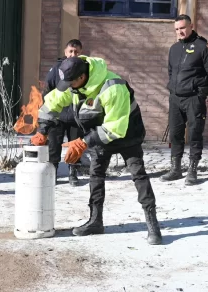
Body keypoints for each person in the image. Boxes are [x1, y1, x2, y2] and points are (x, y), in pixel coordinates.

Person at [31, 56, 162, 245]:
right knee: (96, 175)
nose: (67, 87)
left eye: (70, 83)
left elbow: (115, 128)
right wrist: (42, 129)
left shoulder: (113, 87)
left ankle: (152, 224)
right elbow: (53, 101)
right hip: (99, 135)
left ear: (82, 77)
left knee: (138, 175)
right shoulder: (75, 85)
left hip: (127, 135)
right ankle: (95, 221)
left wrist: (83, 142)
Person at [160, 14, 208, 185]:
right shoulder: (174, 48)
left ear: (191, 26)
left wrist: (202, 94)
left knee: (194, 134)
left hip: (194, 99)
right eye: (177, 29)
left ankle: (192, 170)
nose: (180, 32)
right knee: (176, 135)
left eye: (183, 28)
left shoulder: (203, 47)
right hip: (176, 99)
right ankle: (175, 169)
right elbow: (171, 72)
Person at [43, 39, 84, 186]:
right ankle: (53, 172)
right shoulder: (56, 70)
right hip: (58, 116)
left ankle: (73, 173)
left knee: (74, 146)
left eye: (77, 51)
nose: (73, 54)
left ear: (81, 53)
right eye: (71, 51)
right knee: (54, 145)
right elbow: (47, 91)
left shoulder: (85, 69)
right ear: (65, 53)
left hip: (76, 117)